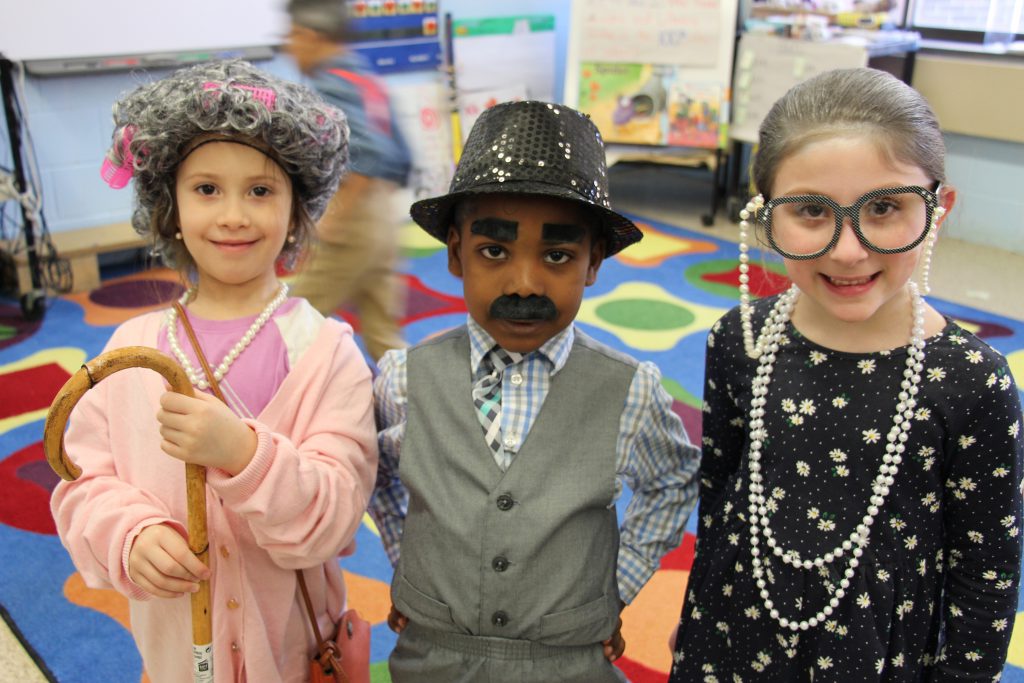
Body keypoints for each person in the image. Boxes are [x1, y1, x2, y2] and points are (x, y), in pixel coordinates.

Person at [669, 67, 1024, 681]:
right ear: (764, 217)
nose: (847, 250)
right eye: (810, 210)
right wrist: (697, 605)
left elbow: (987, 571)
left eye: (884, 207)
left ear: (938, 210)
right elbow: (720, 489)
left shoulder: (972, 381)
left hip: (873, 648)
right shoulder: (741, 339)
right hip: (729, 627)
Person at [50, 60, 378, 682]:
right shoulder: (129, 352)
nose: (233, 215)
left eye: (260, 190)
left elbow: (333, 514)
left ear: (296, 210)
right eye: (206, 189)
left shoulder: (325, 352)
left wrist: (241, 452)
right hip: (177, 655)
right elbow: (81, 482)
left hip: (292, 655)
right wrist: (129, 535)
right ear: (169, 207)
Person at [368, 99, 701, 683]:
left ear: (594, 261)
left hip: (569, 663)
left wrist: (611, 591)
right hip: (431, 659)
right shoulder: (402, 379)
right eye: (493, 251)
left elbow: (673, 482)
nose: (524, 282)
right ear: (455, 253)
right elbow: (377, 477)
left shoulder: (630, 391)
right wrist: (408, 568)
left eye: (558, 255)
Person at [283, 0, 412, 363]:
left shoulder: (331, 84)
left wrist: (339, 215)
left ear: (310, 36)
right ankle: (422, 401)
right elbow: (400, 152)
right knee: (384, 334)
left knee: (295, 320)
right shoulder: (364, 77)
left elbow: (366, 152)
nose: (290, 47)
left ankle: (274, 404)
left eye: (291, 37)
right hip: (382, 216)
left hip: (353, 217)